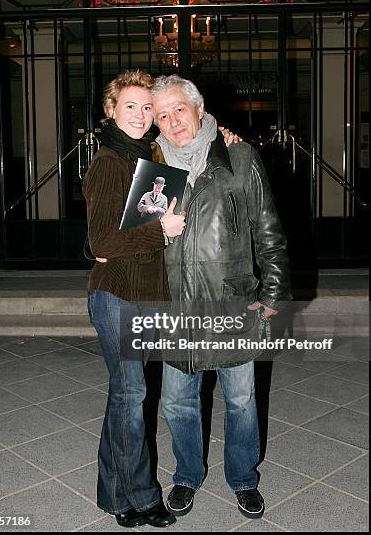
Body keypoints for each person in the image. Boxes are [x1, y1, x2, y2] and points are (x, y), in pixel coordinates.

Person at [150, 75, 291, 520]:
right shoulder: (150, 165)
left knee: (241, 399)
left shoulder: (239, 155)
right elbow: (131, 237)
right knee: (176, 400)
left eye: (178, 110)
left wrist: (273, 294)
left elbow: (269, 231)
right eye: (161, 114)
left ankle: (244, 478)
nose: (172, 121)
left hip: (232, 300)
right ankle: (187, 475)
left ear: (199, 108)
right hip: (175, 303)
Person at [83, 70, 185, 528]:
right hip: (117, 294)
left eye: (148, 108)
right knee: (133, 395)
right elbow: (101, 242)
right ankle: (142, 497)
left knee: (124, 399)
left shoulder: (147, 157)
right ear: (111, 110)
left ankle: (114, 494)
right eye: (131, 106)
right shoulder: (110, 161)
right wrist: (160, 231)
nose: (142, 116)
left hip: (142, 295)